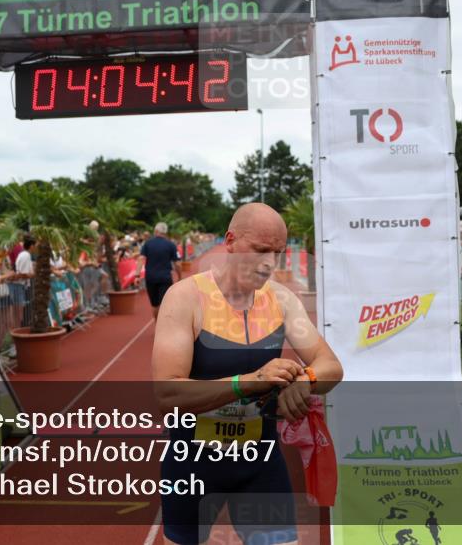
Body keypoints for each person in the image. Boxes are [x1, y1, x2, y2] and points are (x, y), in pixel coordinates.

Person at [152, 203, 344, 545]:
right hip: (193, 463)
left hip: (259, 462)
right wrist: (251, 381)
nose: (269, 263)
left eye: (277, 252)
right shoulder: (185, 298)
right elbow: (168, 393)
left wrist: (304, 382)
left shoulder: (282, 301)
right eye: (259, 250)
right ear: (230, 241)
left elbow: (330, 365)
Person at [135, 222, 182, 320]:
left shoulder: (147, 244)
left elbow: (141, 259)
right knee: (165, 303)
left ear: (156, 231)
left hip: (150, 277)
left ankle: (157, 324)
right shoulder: (171, 245)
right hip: (165, 277)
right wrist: (180, 277)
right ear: (165, 232)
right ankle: (163, 326)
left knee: (155, 304)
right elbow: (177, 263)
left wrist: (137, 275)